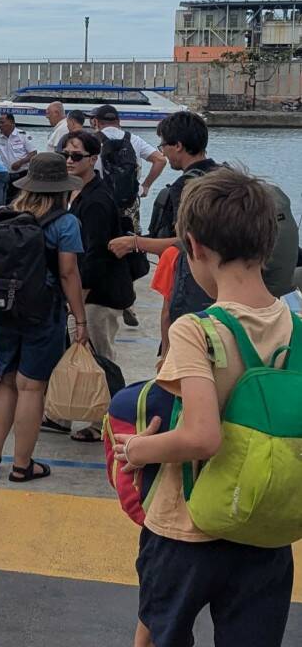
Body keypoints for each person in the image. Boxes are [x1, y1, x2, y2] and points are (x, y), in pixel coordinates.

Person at [112, 168, 295, 647]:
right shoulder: (296, 327)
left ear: (192, 246)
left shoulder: (198, 330)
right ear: (268, 242)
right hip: (266, 527)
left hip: (187, 529)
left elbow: (201, 436)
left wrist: (139, 451)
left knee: (161, 634)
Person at [0, 152, 88, 482]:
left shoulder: (4, 215)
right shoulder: (65, 223)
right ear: (61, 189)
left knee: (6, 381)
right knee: (31, 388)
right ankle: (22, 465)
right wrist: (81, 321)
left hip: (3, 310)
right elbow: (68, 273)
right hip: (43, 313)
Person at [109, 112, 218, 331]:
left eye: (163, 146)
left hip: (194, 286)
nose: (163, 153)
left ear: (177, 145)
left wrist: (134, 243)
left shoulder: (186, 186)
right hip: (222, 283)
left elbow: (187, 242)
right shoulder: (223, 175)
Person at [63, 130, 134, 442]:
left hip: (98, 295)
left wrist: (77, 300)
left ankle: (103, 421)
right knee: (84, 355)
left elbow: (95, 257)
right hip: (84, 290)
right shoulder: (76, 192)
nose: (69, 160)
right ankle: (69, 413)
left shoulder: (96, 201)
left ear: (93, 159)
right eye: (65, 154)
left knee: (101, 357)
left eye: (76, 156)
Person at [91, 104, 166, 327]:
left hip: (101, 201)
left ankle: (103, 297)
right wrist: (145, 186)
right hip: (129, 204)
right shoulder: (132, 139)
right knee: (129, 247)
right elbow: (160, 160)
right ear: (118, 120)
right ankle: (128, 300)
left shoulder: (92, 140)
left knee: (100, 246)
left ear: (97, 121)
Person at [0, 112, 36, 187]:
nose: (0, 125)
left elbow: (33, 153)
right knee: (8, 198)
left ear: (11, 122)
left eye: (2, 122)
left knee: (22, 197)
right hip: (8, 176)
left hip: (23, 174)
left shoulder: (22, 135)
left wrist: (20, 162)